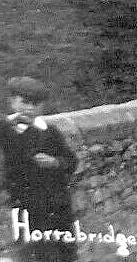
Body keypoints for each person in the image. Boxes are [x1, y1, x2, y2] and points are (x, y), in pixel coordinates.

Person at [0, 77, 78, 262]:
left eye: (35, 104)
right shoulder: (5, 129)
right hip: (24, 206)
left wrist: (54, 162)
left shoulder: (50, 132)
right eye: (24, 102)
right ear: (12, 102)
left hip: (56, 205)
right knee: (33, 253)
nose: (30, 108)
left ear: (42, 106)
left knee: (64, 253)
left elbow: (71, 161)